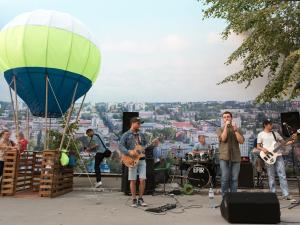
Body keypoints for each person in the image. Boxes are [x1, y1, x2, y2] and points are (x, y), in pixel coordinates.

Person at [256, 119, 296, 201]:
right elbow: (258, 146)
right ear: (265, 125)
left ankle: (286, 194)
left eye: (271, 124)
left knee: (282, 175)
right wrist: (263, 149)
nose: (272, 126)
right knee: (271, 176)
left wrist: (291, 141)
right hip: (268, 157)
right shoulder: (261, 134)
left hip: (278, 155)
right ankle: (272, 194)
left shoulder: (275, 133)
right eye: (270, 124)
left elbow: (283, 143)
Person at [119, 117, 148, 207]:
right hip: (132, 160)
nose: (140, 125)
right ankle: (134, 199)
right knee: (133, 180)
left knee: (142, 179)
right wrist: (129, 152)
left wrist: (151, 146)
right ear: (133, 123)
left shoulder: (141, 135)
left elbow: (145, 145)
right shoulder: (126, 135)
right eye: (138, 123)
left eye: (140, 124)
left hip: (142, 159)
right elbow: (120, 146)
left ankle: (140, 198)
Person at [217, 111, 244, 197]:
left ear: (231, 118)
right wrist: (226, 126)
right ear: (223, 119)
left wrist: (235, 130)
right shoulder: (220, 129)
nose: (226, 118)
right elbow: (223, 139)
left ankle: (233, 198)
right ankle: (224, 197)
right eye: (224, 117)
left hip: (235, 157)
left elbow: (241, 141)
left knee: (234, 179)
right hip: (224, 157)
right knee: (225, 178)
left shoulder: (238, 129)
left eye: (228, 117)